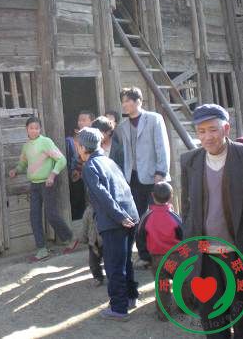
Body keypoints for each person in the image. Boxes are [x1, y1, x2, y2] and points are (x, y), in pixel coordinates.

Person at [181, 104, 243, 338]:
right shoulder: (190, 161)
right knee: (212, 316)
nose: (207, 137)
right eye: (201, 131)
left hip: (240, 252)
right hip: (206, 255)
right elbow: (187, 208)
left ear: (226, 128)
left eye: (213, 130)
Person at [77, 128, 139, 322]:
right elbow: (124, 187)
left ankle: (119, 308)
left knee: (113, 265)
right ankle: (131, 296)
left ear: (83, 147)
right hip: (131, 215)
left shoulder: (90, 166)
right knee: (125, 261)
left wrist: (119, 216)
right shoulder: (108, 161)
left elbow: (102, 195)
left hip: (114, 221)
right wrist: (128, 215)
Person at [9, 117, 78, 262]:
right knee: (34, 217)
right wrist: (16, 170)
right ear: (26, 129)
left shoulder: (46, 142)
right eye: (31, 128)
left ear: (40, 129)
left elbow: (61, 160)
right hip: (34, 185)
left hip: (47, 184)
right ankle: (42, 249)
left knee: (51, 214)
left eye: (37, 128)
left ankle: (70, 239)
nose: (34, 130)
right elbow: (23, 164)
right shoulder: (26, 146)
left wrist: (52, 175)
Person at [115, 87, 170, 268]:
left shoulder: (154, 119)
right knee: (137, 217)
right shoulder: (123, 126)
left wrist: (161, 172)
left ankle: (163, 253)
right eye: (123, 101)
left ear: (138, 101)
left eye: (127, 101)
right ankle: (144, 254)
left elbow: (162, 146)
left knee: (157, 216)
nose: (124, 104)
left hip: (153, 176)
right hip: (132, 178)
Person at [136, 182, 182, 321]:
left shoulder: (147, 217)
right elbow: (183, 235)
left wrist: (145, 256)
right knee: (181, 281)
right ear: (171, 196)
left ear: (152, 196)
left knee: (162, 285)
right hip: (175, 256)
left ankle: (164, 314)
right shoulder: (174, 217)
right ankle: (185, 306)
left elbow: (140, 238)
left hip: (157, 259)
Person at [66, 110, 95, 219]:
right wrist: (76, 171)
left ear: (92, 122)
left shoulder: (96, 138)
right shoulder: (73, 140)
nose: (80, 122)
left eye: (84, 120)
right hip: (78, 179)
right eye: (79, 120)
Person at [79, 204, 104, 287]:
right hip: (93, 242)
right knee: (93, 263)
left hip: (106, 241)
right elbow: (84, 226)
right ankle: (97, 277)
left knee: (110, 262)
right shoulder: (88, 210)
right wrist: (83, 238)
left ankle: (113, 277)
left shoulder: (106, 208)